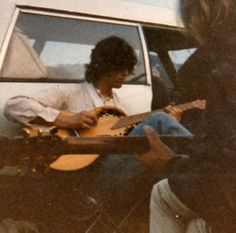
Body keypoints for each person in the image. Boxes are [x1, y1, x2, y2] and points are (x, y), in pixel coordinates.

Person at [3, 36, 190, 206]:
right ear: (105, 67)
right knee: (159, 119)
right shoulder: (71, 94)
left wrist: (168, 124)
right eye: (121, 67)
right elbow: (13, 106)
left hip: (113, 175)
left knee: (157, 128)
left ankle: (195, 174)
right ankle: (205, 166)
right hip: (83, 181)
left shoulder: (118, 106)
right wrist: (66, 120)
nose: (127, 72)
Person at [138, 0, 236, 232]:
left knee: (162, 194)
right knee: (195, 225)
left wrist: (171, 163)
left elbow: (222, 167)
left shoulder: (211, 66)